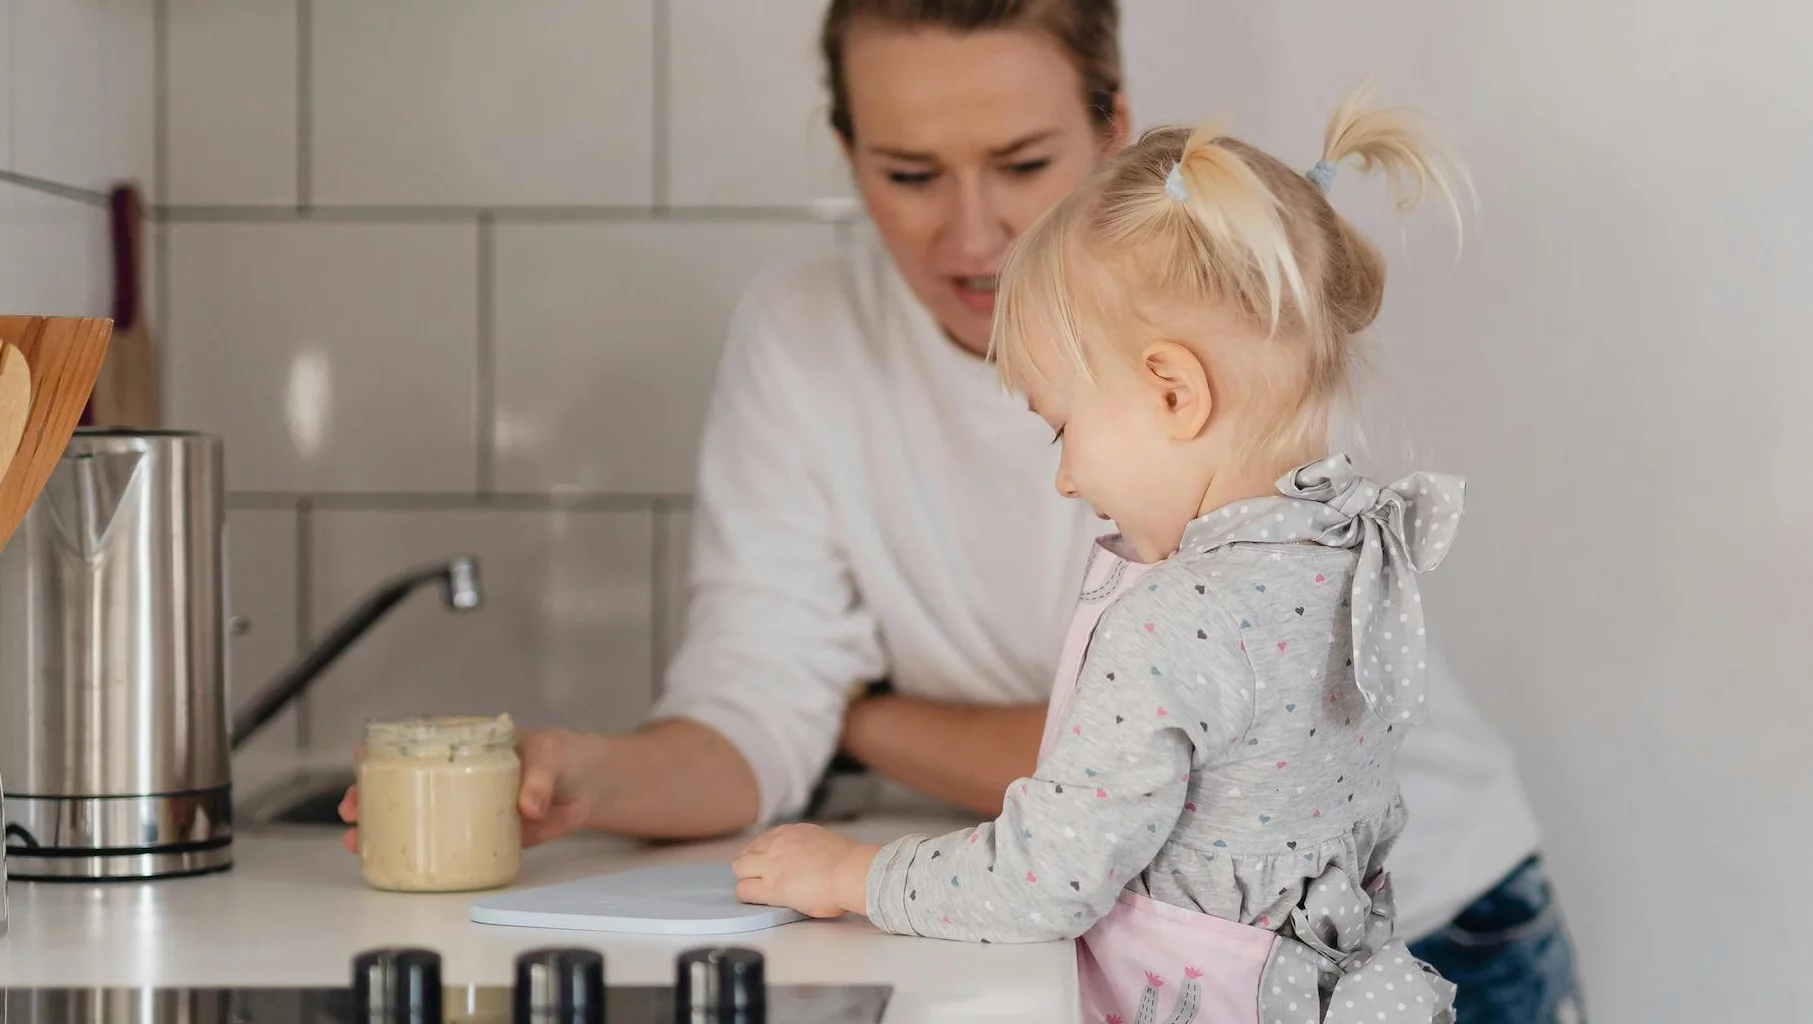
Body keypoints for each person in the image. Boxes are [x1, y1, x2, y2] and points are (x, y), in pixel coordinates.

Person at [340, 3, 1584, 1020]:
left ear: (1114, 129)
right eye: (909, 172)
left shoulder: (1235, 322)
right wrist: (592, 776)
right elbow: (758, 699)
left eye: (1024, 165)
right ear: (847, 153)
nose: (974, 230)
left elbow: (1086, 783)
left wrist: (854, 721)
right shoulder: (803, 341)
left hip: (1429, 926)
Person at [733, 83, 1469, 1024]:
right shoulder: (1350, 556)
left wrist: (853, 874)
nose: (1066, 478)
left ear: (1171, 394)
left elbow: (1044, 880)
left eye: (1061, 429)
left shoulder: (1177, 616)